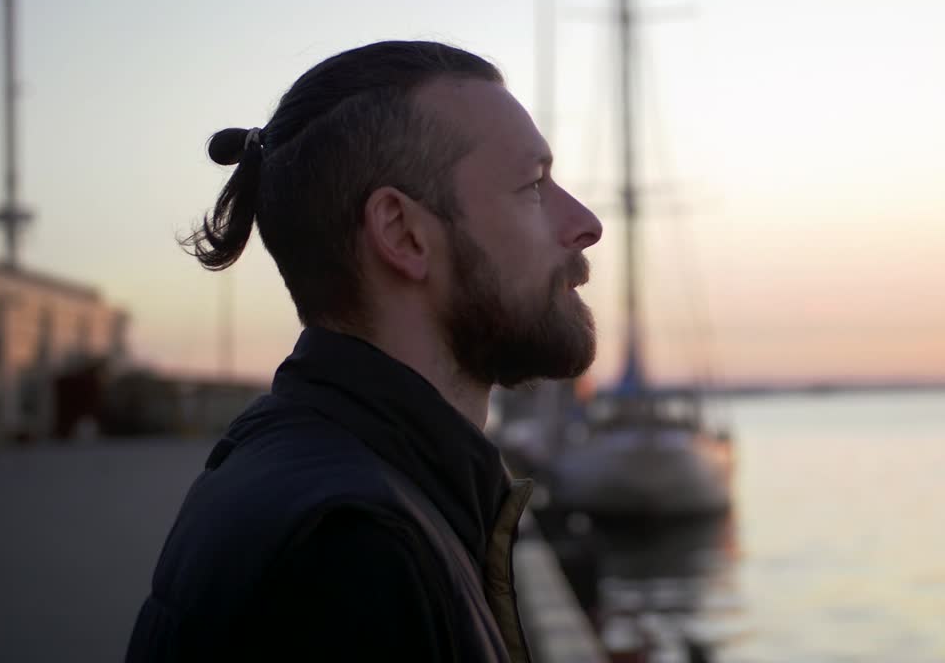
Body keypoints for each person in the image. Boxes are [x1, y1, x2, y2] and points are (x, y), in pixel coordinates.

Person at [126, 41, 603, 662]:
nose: (585, 221)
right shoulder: (353, 554)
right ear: (403, 234)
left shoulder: (302, 470)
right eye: (534, 185)